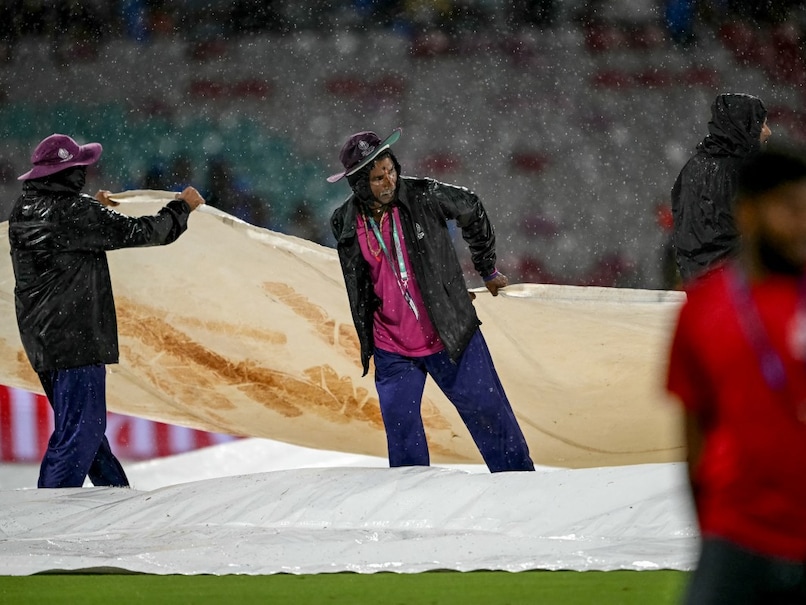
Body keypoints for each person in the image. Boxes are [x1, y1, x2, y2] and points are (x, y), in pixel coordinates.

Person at [328, 128, 534, 473]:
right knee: (402, 433)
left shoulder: (424, 195)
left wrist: (486, 269)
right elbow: (364, 281)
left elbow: (471, 207)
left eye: (390, 170)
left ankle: (521, 488)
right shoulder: (344, 221)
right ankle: (414, 507)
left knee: (488, 414)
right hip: (392, 345)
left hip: (449, 334)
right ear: (359, 184)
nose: (388, 181)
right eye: (377, 178)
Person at [8, 133, 205, 488]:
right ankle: (50, 511)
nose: (86, 171)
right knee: (81, 432)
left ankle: (114, 496)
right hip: (76, 339)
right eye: (80, 167)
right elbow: (146, 232)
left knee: (82, 430)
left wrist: (91, 208)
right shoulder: (75, 213)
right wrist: (181, 207)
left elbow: (61, 233)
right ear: (67, 174)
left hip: (42, 340)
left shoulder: (23, 210)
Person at [666, 146, 806, 604]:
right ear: (747, 213)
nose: (802, 223)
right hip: (737, 533)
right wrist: (710, 529)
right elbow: (693, 434)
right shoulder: (704, 308)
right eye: (789, 209)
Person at [671, 92, 771, 283]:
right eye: (762, 123)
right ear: (745, 126)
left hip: (698, 282)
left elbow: (686, 231)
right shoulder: (744, 172)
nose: (768, 131)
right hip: (737, 286)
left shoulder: (693, 167)